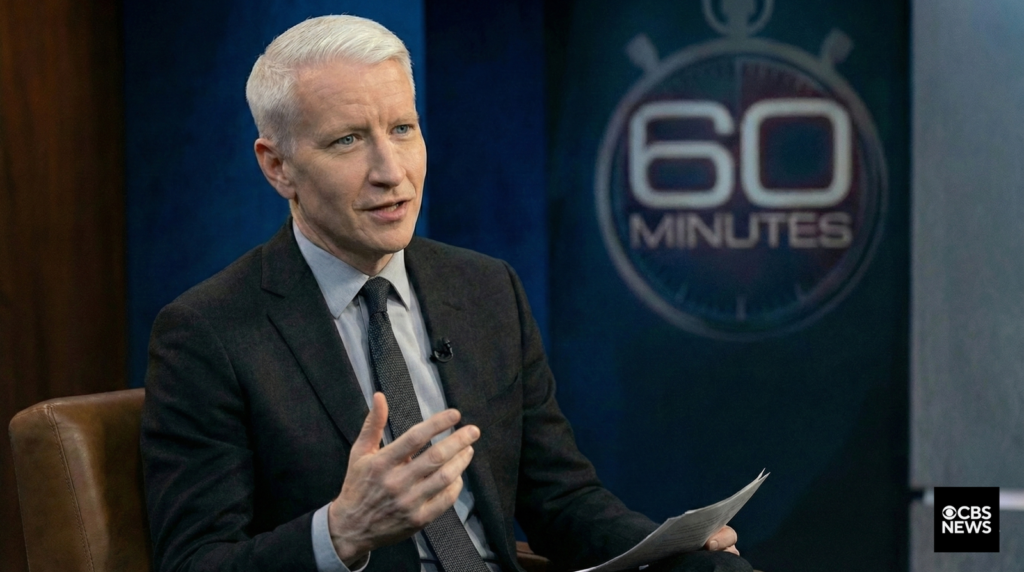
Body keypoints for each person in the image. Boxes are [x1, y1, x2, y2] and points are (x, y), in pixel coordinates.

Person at [140, 15, 753, 572]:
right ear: (277, 166)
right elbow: (194, 561)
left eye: (402, 129)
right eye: (347, 140)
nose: (391, 171)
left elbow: (562, 500)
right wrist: (341, 532)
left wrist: (669, 545)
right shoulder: (209, 332)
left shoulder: (486, 290)